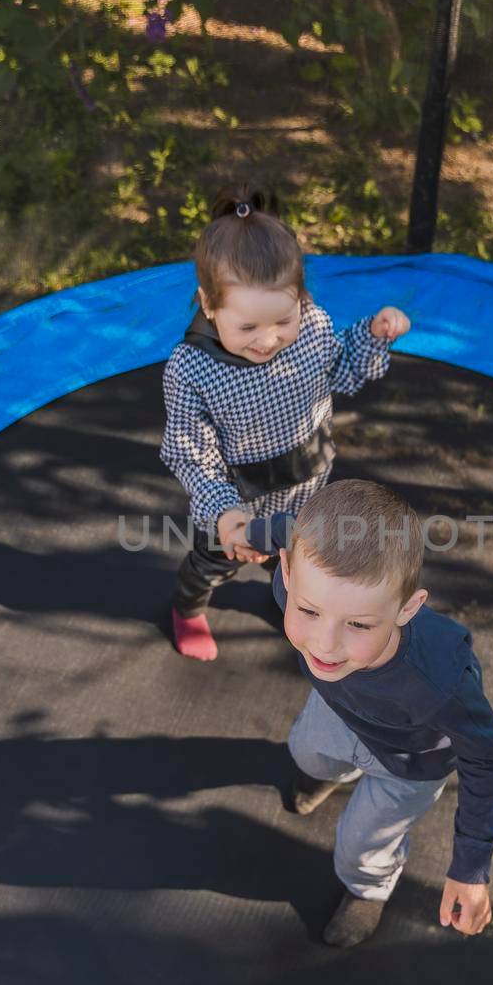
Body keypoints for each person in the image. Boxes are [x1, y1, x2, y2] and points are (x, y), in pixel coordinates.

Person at [246, 479, 493, 947]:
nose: (324, 645)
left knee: (363, 843)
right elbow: (281, 530)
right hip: (339, 712)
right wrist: (238, 528)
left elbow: (486, 757)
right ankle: (328, 775)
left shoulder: (438, 682)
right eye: (309, 611)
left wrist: (471, 866)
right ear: (287, 571)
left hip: (409, 763)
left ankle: (368, 888)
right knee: (307, 755)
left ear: (407, 609)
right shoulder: (296, 566)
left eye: (358, 625)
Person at [159, 183, 410, 661]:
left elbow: (343, 368)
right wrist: (228, 517)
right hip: (238, 502)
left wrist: (374, 334)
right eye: (248, 327)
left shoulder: (312, 327)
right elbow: (192, 454)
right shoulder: (191, 369)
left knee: (298, 560)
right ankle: (188, 608)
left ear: (300, 297)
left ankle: (288, 597)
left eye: (283, 319)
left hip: (307, 487)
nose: (269, 339)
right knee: (213, 563)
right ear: (209, 306)